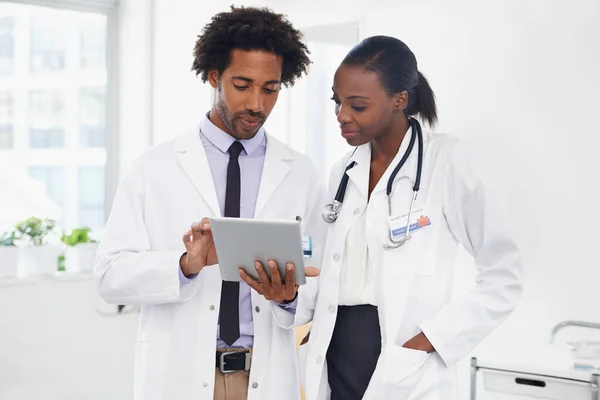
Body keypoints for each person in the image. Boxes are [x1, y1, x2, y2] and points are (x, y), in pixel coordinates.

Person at [94, 6, 327, 400]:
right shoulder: (155, 167)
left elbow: (320, 287)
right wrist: (185, 265)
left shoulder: (301, 173)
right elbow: (108, 277)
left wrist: (287, 295)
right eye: (242, 84)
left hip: (265, 375)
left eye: (270, 89)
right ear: (213, 77)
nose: (257, 103)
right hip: (180, 375)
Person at [299, 35, 523, 400]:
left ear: (399, 101)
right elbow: (330, 266)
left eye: (357, 106)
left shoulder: (446, 161)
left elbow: (504, 275)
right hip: (336, 353)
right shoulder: (344, 169)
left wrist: (430, 341)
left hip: (401, 359)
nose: (342, 116)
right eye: (337, 102)